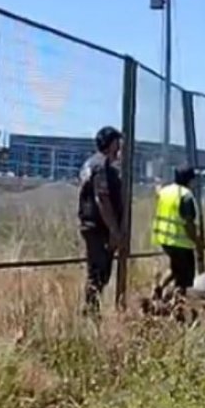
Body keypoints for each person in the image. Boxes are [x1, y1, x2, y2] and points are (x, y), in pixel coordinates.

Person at [78, 125, 127, 313]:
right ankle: (90, 315)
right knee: (98, 274)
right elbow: (102, 199)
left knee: (99, 273)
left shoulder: (93, 163)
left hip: (95, 225)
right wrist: (115, 230)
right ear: (111, 143)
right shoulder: (101, 165)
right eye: (117, 142)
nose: (120, 147)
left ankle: (92, 312)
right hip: (99, 227)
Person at [152, 166, 204, 298]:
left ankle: (158, 289)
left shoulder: (165, 191)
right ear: (189, 180)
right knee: (184, 278)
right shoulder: (186, 196)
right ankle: (176, 304)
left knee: (175, 268)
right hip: (180, 241)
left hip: (164, 239)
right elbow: (188, 224)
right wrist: (197, 241)